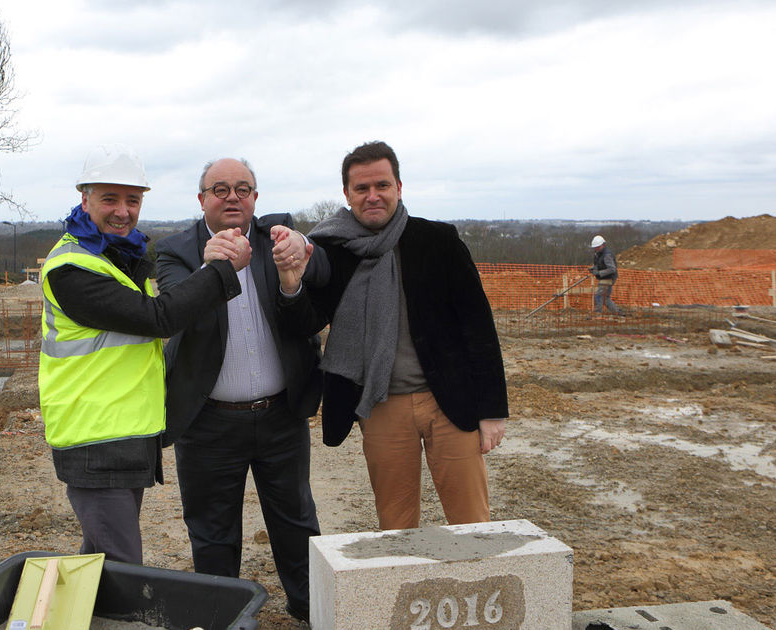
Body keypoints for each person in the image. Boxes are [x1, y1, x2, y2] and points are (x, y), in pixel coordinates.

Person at [279, 141, 508, 532]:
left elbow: (478, 326)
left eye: (382, 185)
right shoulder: (334, 250)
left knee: (473, 523)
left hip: (450, 402)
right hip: (381, 405)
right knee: (396, 527)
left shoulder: (438, 241)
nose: (373, 196)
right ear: (347, 194)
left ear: (398, 188)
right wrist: (289, 284)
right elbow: (307, 323)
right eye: (362, 188)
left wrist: (492, 410)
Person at [38, 144, 248, 564]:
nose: (122, 211)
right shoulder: (72, 269)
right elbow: (159, 317)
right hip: (95, 439)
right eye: (109, 199)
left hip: (119, 436)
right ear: (85, 199)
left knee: (99, 560)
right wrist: (222, 270)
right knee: (121, 565)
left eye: (132, 200)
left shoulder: (113, 257)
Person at [155, 158, 327, 623]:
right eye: (220, 189)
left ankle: (310, 608)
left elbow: (322, 272)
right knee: (213, 534)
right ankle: (222, 616)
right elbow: (175, 311)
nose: (233, 197)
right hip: (208, 423)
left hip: (280, 417)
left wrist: (302, 250)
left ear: (255, 197)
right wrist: (214, 271)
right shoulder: (177, 251)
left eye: (243, 188)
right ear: (202, 199)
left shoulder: (279, 235)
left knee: (297, 523)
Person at [590, 235, 621, 314]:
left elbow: (612, 269)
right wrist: (594, 268)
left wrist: (599, 273)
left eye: (597, 247)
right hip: (603, 277)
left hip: (609, 278)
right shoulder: (597, 254)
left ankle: (597, 313)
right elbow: (598, 264)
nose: (596, 249)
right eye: (595, 247)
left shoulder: (607, 255)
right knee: (605, 298)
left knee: (598, 295)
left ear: (603, 245)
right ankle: (618, 312)